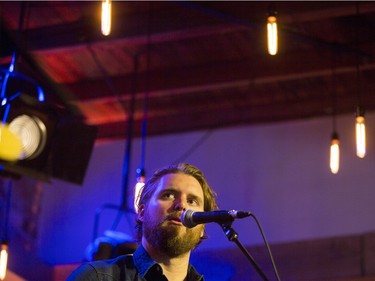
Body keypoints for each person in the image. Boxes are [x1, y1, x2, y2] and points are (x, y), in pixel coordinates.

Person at [67, 163, 218, 281]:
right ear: (142, 212)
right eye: (169, 195)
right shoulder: (95, 277)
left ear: (203, 226)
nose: (182, 205)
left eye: (192, 201)